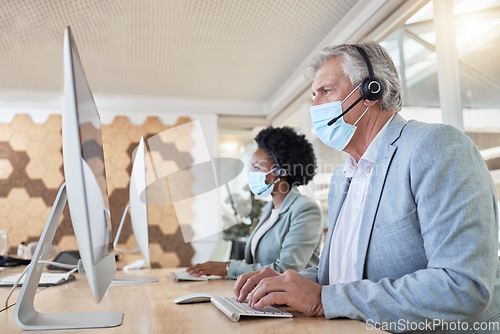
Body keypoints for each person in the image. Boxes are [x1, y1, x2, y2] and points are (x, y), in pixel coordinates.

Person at [234, 41, 500, 333]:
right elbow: (344, 276)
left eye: (325, 91)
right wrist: (286, 283)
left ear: (371, 91)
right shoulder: (342, 178)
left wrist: (324, 299)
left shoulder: (434, 146)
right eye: (313, 95)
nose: (314, 107)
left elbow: (462, 286)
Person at [187, 126, 323, 279]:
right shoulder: (269, 208)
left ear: (282, 171)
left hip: (291, 299)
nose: (252, 175)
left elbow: (284, 269)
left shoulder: (305, 209)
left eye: (257, 168)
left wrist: (227, 268)